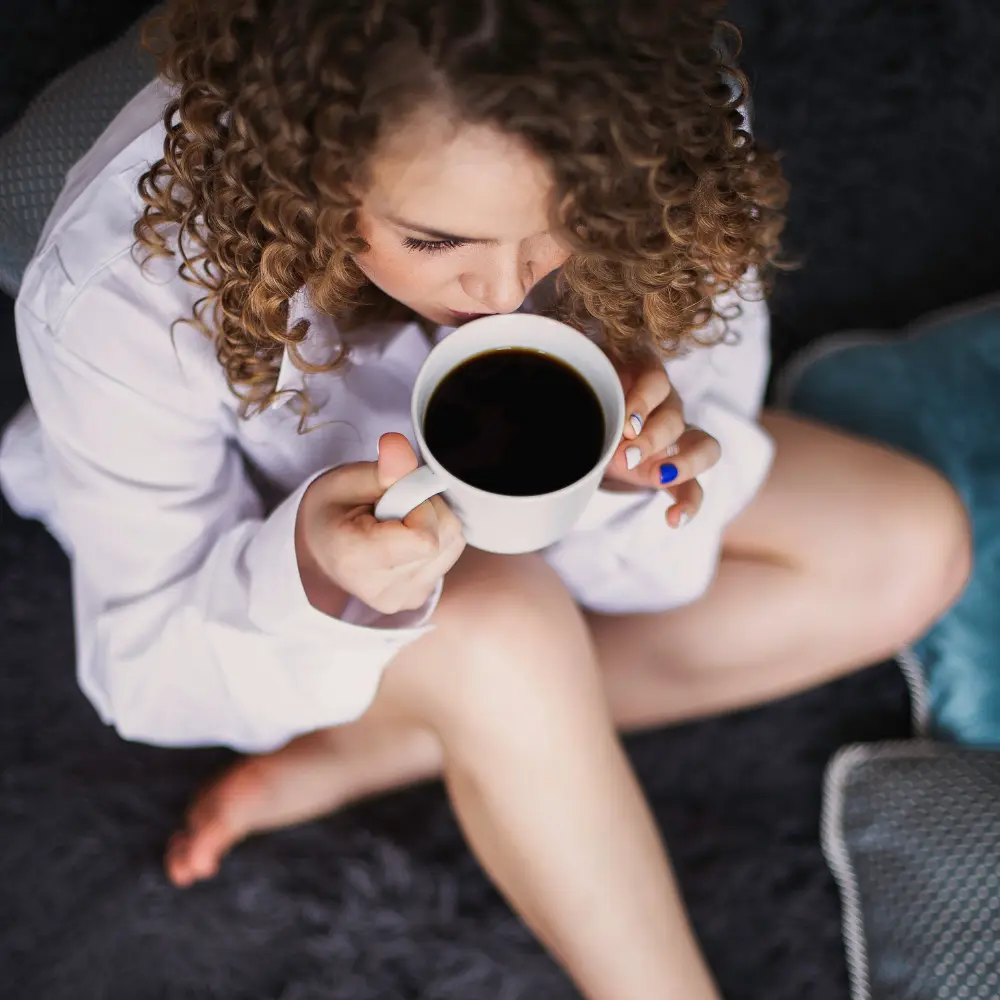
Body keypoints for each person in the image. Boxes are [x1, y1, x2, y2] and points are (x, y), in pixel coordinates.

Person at [0, 0, 971, 996]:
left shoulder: (652, 123)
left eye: (560, 227)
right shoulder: (123, 279)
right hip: (276, 580)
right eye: (434, 239)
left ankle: (402, 741)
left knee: (912, 543)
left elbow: (678, 492)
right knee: (506, 629)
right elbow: (145, 666)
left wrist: (627, 467)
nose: (505, 292)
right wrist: (320, 581)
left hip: (533, 561)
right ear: (307, 168)